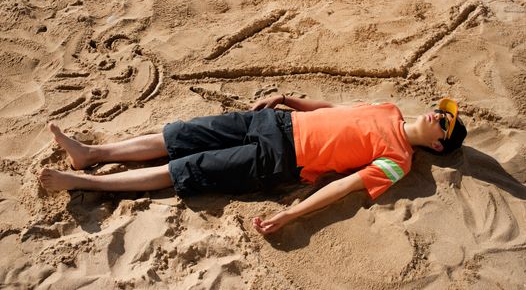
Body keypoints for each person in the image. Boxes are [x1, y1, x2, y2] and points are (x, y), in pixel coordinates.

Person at [38, 95, 467, 235]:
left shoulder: (399, 163)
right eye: (441, 110)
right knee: (178, 136)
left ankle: (77, 180)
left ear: (439, 146)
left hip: (279, 159)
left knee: (185, 169)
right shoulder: (389, 107)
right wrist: (289, 99)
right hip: (275, 120)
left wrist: (292, 212)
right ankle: (92, 154)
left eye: (444, 123)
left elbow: (350, 185)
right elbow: (333, 109)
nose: (437, 115)